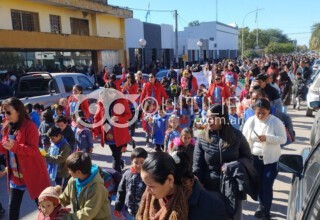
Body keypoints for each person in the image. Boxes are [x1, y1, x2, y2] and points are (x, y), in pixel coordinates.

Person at [193, 104, 252, 220]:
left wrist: (233, 165)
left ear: (223, 118)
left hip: (233, 187)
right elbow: (197, 166)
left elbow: (249, 159)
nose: (209, 121)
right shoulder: (202, 137)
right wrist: (197, 186)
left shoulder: (237, 136)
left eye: (213, 117)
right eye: (208, 117)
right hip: (209, 189)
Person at [136, 151, 228, 220]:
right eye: (146, 184)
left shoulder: (210, 208)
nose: (147, 191)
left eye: (151, 186)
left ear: (170, 180)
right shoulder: (151, 199)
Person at [0, 97, 51, 220]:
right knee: (13, 209)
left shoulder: (30, 127)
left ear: (18, 111)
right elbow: (4, 148)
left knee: (43, 207)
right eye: (3, 112)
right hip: (15, 177)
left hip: (32, 174)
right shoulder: (7, 126)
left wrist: (15, 146)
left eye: (8, 112)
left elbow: (34, 151)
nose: (5, 116)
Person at [242, 99, 286, 219]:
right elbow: (244, 140)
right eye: (258, 113)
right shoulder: (250, 121)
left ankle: (266, 212)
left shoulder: (275, 122)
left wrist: (267, 138)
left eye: (263, 113)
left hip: (271, 160)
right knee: (258, 184)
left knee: (266, 185)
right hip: (255, 159)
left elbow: (283, 139)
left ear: (269, 111)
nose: (260, 115)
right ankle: (261, 207)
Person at [59, 152, 111, 219]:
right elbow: (65, 197)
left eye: (69, 170)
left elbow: (89, 212)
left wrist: (67, 217)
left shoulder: (97, 187)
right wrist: (52, 203)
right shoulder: (73, 181)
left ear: (78, 172)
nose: (68, 172)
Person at [93, 82, 132, 172]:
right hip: (107, 129)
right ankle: (119, 161)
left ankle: (116, 173)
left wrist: (119, 118)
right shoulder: (101, 101)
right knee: (115, 153)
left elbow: (128, 115)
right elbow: (97, 117)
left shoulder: (121, 100)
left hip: (119, 129)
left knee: (116, 154)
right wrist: (95, 131)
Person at [114, 148, 148, 220]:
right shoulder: (127, 174)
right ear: (131, 162)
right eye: (136, 162)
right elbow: (121, 191)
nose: (139, 165)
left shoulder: (148, 176)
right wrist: (118, 207)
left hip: (144, 211)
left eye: (142, 162)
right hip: (129, 211)